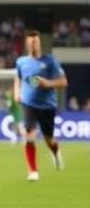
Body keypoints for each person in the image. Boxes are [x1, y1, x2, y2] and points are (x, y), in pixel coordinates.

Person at [14, 29, 68, 181]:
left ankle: (55, 152)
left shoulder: (50, 61)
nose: (33, 44)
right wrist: (17, 92)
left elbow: (64, 82)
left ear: (39, 43)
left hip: (47, 106)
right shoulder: (21, 62)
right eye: (30, 42)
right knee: (30, 136)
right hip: (29, 105)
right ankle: (33, 171)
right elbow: (18, 78)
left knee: (49, 140)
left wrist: (48, 83)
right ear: (27, 44)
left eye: (35, 42)